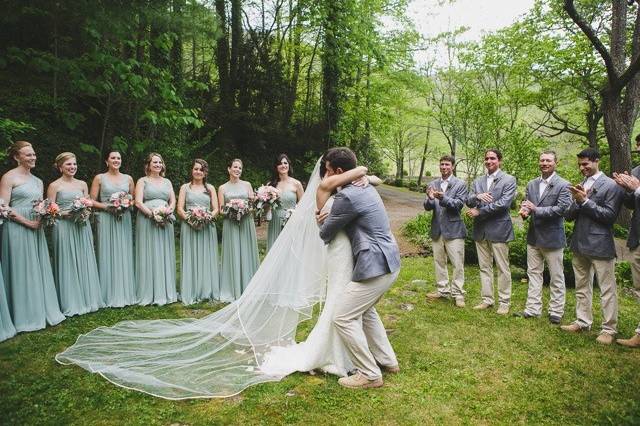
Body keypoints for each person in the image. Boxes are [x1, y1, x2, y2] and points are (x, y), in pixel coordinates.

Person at [55, 157, 386, 399]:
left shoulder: (347, 192)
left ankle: (371, 361)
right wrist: (362, 172)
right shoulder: (337, 190)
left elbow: (339, 207)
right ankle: (366, 360)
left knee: (347, 309)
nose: (324, 175)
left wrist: (358, 176)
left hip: (351, 256)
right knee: (348, 310)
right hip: (342, 251)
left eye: (328, 170)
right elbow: (327, 219)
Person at [317, 147, 401, 389]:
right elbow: (373, 178)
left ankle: (370, 374)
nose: (325, 176)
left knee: (343, 317)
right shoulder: (365, 186)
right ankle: (388, 360)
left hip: (376, 265)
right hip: (390, 261)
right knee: (365, 311)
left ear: (340, 173)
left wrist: (319, 216)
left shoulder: (347, 197)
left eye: (328, 172)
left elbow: (325, 233)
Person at [0, 141, 65, 332]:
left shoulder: (38, 181)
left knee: (36, 268)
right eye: (28, 155)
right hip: (16, 228)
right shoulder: (8, 178)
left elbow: (40, 205)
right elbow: (2, 206)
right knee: (20, 269)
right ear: (16, 157)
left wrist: (45, 215)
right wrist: (27, 222)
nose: (33, 157)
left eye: (34, 154)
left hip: (36, 228)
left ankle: (40, 311)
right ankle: (22, 315)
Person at [561, 148, 624, 345]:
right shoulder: (583, 184)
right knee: (581, 286)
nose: (582, 168)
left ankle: (609, 328)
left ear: (597, 161)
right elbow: (569, 215)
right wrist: (577, 200)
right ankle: (582, 321)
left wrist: (585, 201)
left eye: (586, 163)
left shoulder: (612, 185)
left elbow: (609, 216)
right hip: (579, 242)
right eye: (580, 164)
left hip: (600, 244)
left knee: (606, 288)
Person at [514, 151, 571, 324]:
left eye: (548, 160)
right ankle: (532, 309)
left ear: (556, 163)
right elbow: (528, 204)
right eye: (542, 160)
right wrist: (524, 212)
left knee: (556, 276)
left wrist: (536, 209)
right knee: (533, 273)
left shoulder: (563, 185)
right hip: (533, 237)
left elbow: (561, 209)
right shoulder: (531, 184)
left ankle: (556, 311)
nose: (545, 163)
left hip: (553, 237)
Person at [48, 152, 105, 316]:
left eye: (74, 164)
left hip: (81, 226)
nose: (72, 167)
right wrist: (68, 213)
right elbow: (50, 211)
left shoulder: (82, 184)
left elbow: (88, 205)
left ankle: (88, 299)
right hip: (64, 227)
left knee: (84, 258)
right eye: (68, 165)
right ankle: (70, 301)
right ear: (60, 167)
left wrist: (84, 212)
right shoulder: (54, 186)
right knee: (67, 260)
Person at [466, 149, 517, 315]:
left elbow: (504, 204)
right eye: (487, 158)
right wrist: (477, 197)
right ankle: (487, 299)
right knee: (484, 267)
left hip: (499, 228)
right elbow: (469, 199)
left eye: (493, 158)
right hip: (480, 229)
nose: (489, 161)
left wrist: (480, 212)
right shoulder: (478, 180)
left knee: (502, 267)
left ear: (499, 161)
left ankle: (504, 301)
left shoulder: (509, 179)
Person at [89, 150, 137, 307]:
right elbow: (91, 201)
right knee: (106, 252)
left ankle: (126, 292)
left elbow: (133, 200)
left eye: (119, 158)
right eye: (113, 158)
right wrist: (108, 207)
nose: (116, 160)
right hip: (105, 218)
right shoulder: (100, 178)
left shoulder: (128, 178)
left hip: (123, 219)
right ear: (106, 161)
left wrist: (125, 204)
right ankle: (106, 293)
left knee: (123, 252)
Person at [423, 155, 467, 307]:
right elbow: (427, 207)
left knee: (457, 264)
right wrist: (429, 198)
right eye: (442, 164)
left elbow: (458, 205)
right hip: (437, 229)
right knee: (439, 262)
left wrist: (443, 198)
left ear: (453, 167)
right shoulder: (433, 183)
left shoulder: (460, 184)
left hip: (454, 229)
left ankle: (458, 294)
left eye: (447, 164)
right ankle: (442, 290)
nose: (444, 167)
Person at [135, 153, 177, 306]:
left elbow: (172, 200)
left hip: (165, 220)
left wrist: (167, 212)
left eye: (160, 162)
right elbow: (138, 202)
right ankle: (148, 291)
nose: (158, 165)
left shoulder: (167, 182)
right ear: (148, 165)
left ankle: (165, 289)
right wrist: (152, 214)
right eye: (155, 162)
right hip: (147, 220)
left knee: (164, 252)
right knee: (149, 252)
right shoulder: (142, 181)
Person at [177, 159, 220, 304]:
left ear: (205, 172)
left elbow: (216, 209)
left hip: (207, 227)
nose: (198, 172)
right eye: (196, 169)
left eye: (201, 170)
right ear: (192, 170)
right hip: (189, 226)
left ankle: (206, 290)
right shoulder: (184, 188)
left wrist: (206, 218)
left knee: (206, 257)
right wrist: (191, 220)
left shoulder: (211, 189)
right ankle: (191, 289)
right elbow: (179, 209)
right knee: (191, 256)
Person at [218, 159, 259, 301]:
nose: (237, 170)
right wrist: (233, 209)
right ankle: (233, 287)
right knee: (233, 252)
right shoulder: (222, 188)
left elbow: (254, 206)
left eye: (240, 168)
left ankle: (249, 287)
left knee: (247, 251)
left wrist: (244, 208)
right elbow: (221, 210)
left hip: (246, 222)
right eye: (235, 167)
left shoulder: (247, 185)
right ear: (229, 169)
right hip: (231, 223)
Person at [265, 154, 304, 252]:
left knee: (289, 251)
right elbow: (266, 207)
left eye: (285, 163)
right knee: (274, 250)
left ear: (289, 165)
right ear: (276, 167)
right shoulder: (270, 185)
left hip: (291, 221)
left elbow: (303, 205)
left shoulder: (296, 184)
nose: (283, 166)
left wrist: (295, 216)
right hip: (275, 221)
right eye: (280, 163)